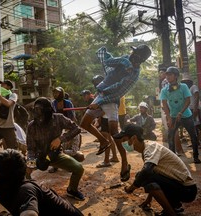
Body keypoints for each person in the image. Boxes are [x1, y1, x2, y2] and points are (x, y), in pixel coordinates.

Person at [80, 44, 151, 181]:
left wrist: (99, 103)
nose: (131, 55)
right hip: (100, 94)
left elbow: (119, 90)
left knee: (114, 132)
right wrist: (124, 61)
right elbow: (108, 62)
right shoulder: (125, 59)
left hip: (112, 99)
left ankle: (124, 161)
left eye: (135, 54)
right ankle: (103, 141)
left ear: (140, 59)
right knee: (84, 123)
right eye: (132, 52)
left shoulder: (135, 73)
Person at [113, 124, 197, 216]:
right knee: (146, 176)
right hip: (181, 187)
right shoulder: (147, 149)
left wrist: (131, 188)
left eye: (124, 140)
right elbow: (153, 175)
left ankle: (171, 213)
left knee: (142, 175)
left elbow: (147, 173)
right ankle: (174, 206)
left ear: (133, 138)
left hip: (187, 190)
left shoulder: (150, 147)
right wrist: (148, 200)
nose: (123, 143)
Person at [0, 149, 83, 216]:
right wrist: (30, 164)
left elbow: (30, 214)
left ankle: (73, 190)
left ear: (6, 177)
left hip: (51, 157)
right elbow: (30, 152)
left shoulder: (26, 190)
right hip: (35, 161)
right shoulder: (32, 128)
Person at [26, 97, 85, 201]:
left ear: (48, 111)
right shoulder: (31, 126)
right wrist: (30, 163)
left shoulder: (59, 118)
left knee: (79, 168)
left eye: (40, 111)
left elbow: (76, 129)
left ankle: (72, 190)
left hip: (56, 155)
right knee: (23, 169)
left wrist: (60, 139)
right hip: (39, 157)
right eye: (35, 110)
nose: (37, 114)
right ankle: (27, 190)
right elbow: (30, 148)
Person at [160, 67, 201, 163]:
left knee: (193, 136)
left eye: (170, 74)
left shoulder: (183, 87)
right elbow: (164, 104)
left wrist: (181, 112)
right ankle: (173, 159)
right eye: (167, 74)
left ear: (176, 76)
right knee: (171, 136)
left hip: (186, 115)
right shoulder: (164, 90)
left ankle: (196, 157)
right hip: (173, 116)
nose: (168, 76)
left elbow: (187, 100)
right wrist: (169, 118)